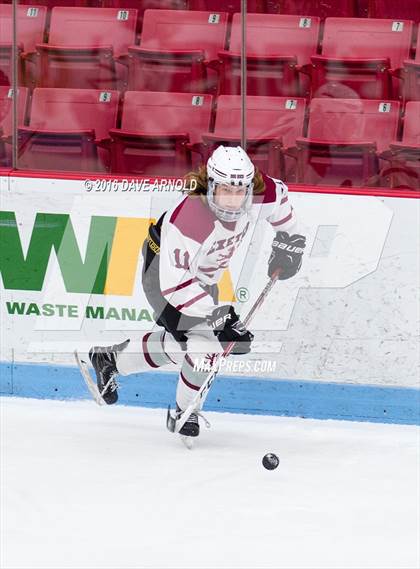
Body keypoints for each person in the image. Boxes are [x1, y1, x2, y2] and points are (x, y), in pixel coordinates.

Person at [89, 146, 306, 438]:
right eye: (225, 190)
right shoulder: (190, 217)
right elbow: (176, 285)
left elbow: (282, 206)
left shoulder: (258, 192)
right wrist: (220, 316)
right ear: (210, 185)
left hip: (204, 275)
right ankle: (186, 411)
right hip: (163, 275)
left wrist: (290, 241)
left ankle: (110, 360)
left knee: (188, 344)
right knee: (206, 345)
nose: (232, 200)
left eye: (239, 191)